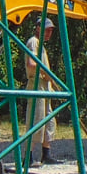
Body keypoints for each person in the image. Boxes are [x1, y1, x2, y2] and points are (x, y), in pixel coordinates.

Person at [24, 20, 57, 164]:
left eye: (50, 30)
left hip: (45, 87)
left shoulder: (42, 46)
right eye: (46, 30)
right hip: (37, 86)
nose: (49, 33)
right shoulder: (33, 42)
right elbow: (31, 65)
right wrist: (45, 72)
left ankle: (46, 154)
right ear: (38, 28)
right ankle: (28, 157)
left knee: (50, 121)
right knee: (36, 121)